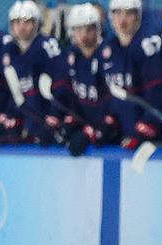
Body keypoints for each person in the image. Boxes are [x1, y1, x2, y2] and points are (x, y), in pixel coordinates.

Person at [100, 0, 162, 148]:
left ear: (138, 17)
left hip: (158, 142)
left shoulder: (150, 47)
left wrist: (143, 131)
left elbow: (158, 97)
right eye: (118, 13)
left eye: (129, 13)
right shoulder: (109, 49)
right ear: (111, 17)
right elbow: (112, 98)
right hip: (127, 137)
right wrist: (109, 123)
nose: (123, 19)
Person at [0, 1, 66, 144]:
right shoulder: (8, 49)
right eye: (17, 22)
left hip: (45, 118)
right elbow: (6, 90)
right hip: (22, 119)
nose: (21, 26)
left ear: (37, 23)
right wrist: (6, 114)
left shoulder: (48, 46)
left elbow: (61, 84)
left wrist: (54, 113)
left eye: (27, 21)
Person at [57, 3, 122, 154]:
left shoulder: (111, 55)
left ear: (98, 29)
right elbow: (70, 97)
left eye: (89, 29)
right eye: (78, 30)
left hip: (113, 134)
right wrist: (70, 123)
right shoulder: (70, 57)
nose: (84, 35)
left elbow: (118, 104)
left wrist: (93, 132)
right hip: (87, 125)